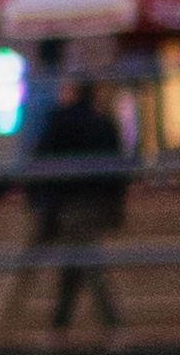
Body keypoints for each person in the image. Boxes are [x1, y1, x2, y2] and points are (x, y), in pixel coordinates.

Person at [25, 57, 130, 337]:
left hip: (63, 205)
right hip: (93, 204)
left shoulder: (60, 121)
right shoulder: (103, 123)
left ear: (72, 91)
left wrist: (33, 198)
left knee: (77, 261)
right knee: (81, 260)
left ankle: (91, 323)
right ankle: (72, 322)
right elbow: (118, 171)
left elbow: (40, 161)